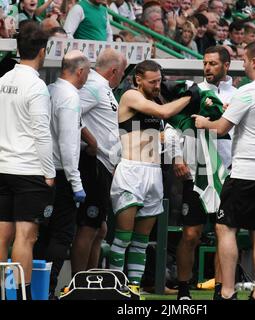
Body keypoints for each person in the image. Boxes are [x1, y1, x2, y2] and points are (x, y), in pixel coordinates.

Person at [192, 42, 255, 300]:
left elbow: (221, 129)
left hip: (245, 171)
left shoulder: (247, 91)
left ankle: (226, 291)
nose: (243, 65)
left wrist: (204, 122)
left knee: (225, 228)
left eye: (245, 60)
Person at [109, 60, 191, 293]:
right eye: (152, 81)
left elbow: (170, 129)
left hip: (154, 173)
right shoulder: (130, 97)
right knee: (123, 237)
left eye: (159, 81)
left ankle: (133, 288)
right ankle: (115, 287)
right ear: (138, 79)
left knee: (141, 241)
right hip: (131, 170)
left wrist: (174, 154)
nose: (157, 86)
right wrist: (190, 96)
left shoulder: (156, 101)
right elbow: (164, 112)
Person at [164, 45, 237, 300]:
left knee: (223, 233)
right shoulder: (193, 91)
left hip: (226, 174)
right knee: (191, 234)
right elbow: (173, 126)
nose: (207, 68)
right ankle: (184, 290)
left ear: (226, 65)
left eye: (213, 64)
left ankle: (221, 289)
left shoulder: (239, 95)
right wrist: (176, 156)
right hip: (196, 172)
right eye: (205, 63)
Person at [0, 21, 55, 300]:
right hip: (28, 169)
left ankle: (2, 293)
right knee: (25, 237)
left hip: (2, 167)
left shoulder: (2, 81)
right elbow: (42, 134)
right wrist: (49, 172)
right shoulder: (36, 86)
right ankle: (22, 296)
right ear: (43, 52)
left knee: (2, 237)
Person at [33, 50, 91, 299]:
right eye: (87, 72)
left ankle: (36, 289)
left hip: (40, 171)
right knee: (62, 234)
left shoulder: (50, 90)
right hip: (60, 175)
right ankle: (48, 289)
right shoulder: (69, 97)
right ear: (80, 72)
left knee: (41, 234)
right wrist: (76, 182)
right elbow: (69, 144)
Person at [70, 48, 127, 276]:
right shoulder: (93, 87)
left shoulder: (103, 89)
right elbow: (68, 112)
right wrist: (91, 141)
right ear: (114, 71)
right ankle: (79, 282)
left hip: (104, 165)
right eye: (123, 72)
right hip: (93, 164)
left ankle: (91, 278)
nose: (123, 77)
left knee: (100, 228)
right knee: (89, 226)